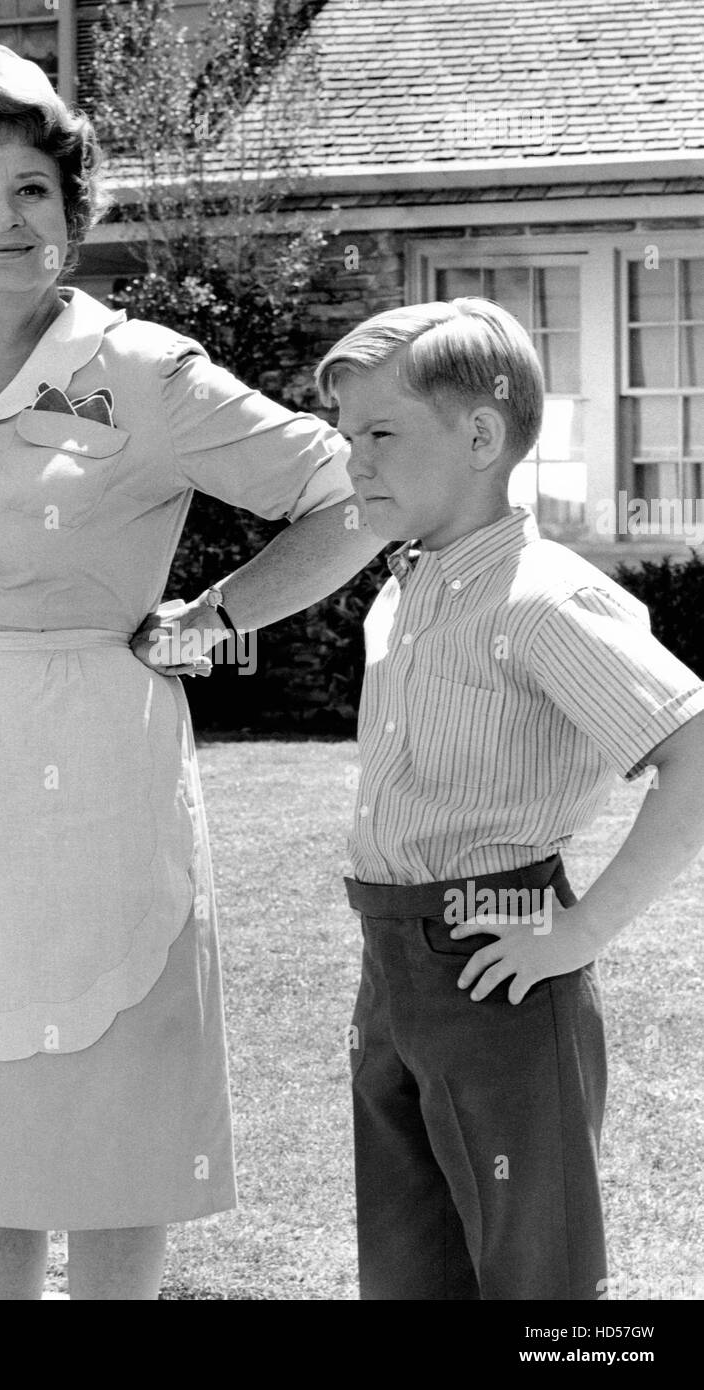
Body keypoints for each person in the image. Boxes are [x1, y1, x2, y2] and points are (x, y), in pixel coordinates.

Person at [0, 44, 382, 1300]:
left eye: (32, 189)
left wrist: (214, 617)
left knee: (108, 1098)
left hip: (94, 782)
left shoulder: (142, 370)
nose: (1, 217)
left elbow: (348, 489)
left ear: (72, 220)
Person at [314, 297, 704, 1300]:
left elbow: (696, 751)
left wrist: (578, 935)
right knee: (407, 1264)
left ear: (481, 435)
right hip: (392, 958)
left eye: (382, 434)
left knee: (539, 1271)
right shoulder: (405, 589)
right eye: (347, 436)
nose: (355, 461)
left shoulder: (543, 598)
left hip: (504, 946)